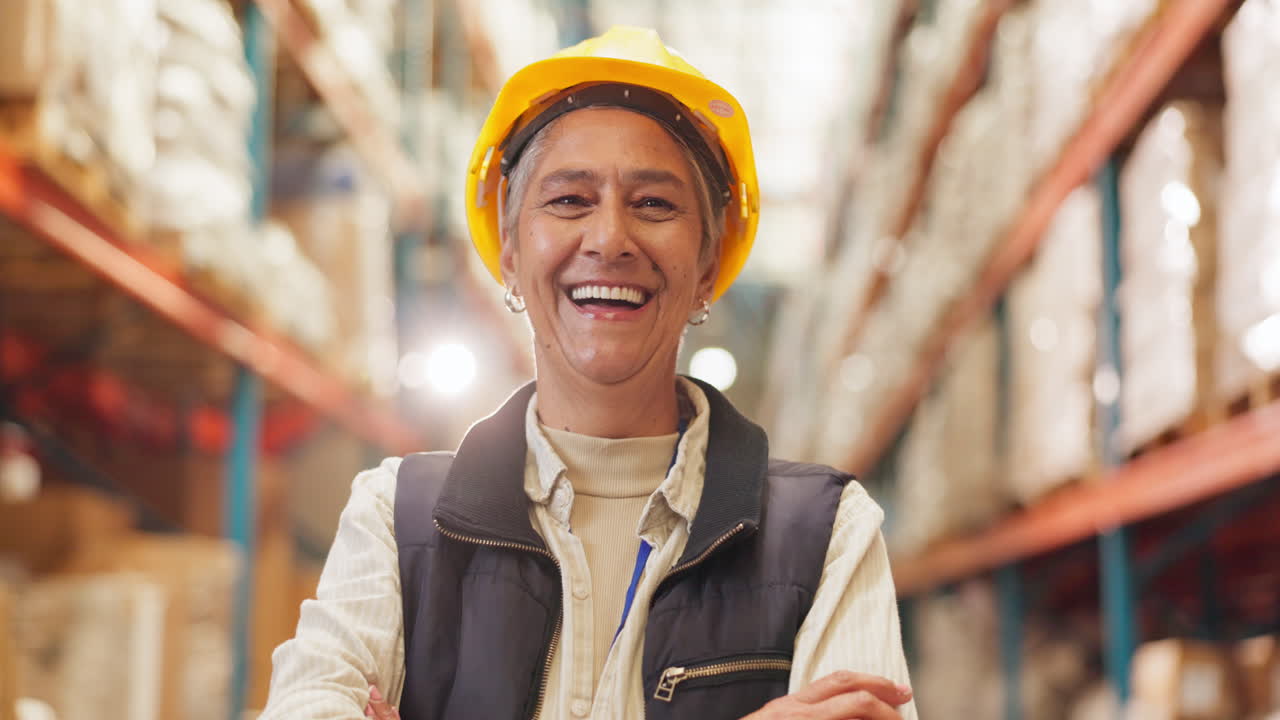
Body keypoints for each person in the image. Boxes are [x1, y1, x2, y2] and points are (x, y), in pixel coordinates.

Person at [261, 26, 917, 720]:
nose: (608, 239)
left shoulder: (824, 535)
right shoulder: (398, 519)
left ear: (707, 263)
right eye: (570, 200)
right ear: (510, 249)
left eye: (654, 204)